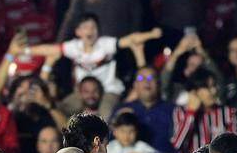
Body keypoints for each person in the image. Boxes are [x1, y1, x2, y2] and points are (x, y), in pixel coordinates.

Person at [29, 14, 161, 117]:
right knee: (61, 111)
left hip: (108, 90)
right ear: (78, 32)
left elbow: (130, 40)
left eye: (93, 27)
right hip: (83, 92)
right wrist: (24, 51)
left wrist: (151, 34)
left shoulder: (105, 44)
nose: (90, 31)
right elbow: (51, 49)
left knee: (106, 117)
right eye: (85, 27)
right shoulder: (74, 46)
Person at [172, 69, 237, 153]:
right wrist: (191, 113)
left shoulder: (228, 112)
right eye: (208, 88)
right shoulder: (181, 112)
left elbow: (234, 147)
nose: (214, 91)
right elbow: (178, 144)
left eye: (214, 86)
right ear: (194, 92)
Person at [113, 65, 176, 153]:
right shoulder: (122, 109)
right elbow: (107, 140)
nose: (146, 81)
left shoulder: (173, 110)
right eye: (141, 78)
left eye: (151, 78)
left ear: (158, 83)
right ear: (135, 85)